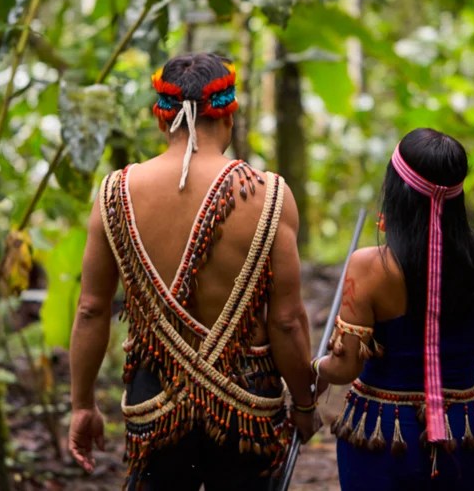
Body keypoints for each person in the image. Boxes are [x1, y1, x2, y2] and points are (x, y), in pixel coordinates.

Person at [68, 53, 320, 491]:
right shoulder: (268, 195)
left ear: (159, 116)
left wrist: (82, 406)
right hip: (246, 405)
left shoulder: (115, 194)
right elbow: (286, 320)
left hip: (155, 403)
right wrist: (303, 401)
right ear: (229, 113)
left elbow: (91, 310)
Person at [312, 128, 474, 491]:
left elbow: (345, 367)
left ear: (396, 192)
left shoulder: (371, 266)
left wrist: (315, 368)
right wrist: (458, 350)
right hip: (458, 433)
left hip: (381, 434)